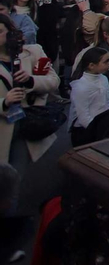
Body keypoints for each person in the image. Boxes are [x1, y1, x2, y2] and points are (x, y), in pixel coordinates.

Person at [0, 15, 60, 181]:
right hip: (3, 123)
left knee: (13, 180)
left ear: (11, 32)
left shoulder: (33, 51)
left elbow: (54, 81)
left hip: (25, 124)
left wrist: (31, 80)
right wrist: (4, 102)